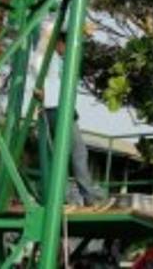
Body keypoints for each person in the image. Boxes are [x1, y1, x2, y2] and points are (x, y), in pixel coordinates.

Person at [30, 20, 106, 208]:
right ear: (59, 43)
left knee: (66, 154)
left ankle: (67, 197)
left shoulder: (59, 61)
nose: (67, 50)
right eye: (65, 44)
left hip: (59, 109)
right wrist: (82, 26)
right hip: (55, 110)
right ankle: (85, 196)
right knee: (75, 153)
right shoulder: (46, 56)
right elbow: (49, 27)